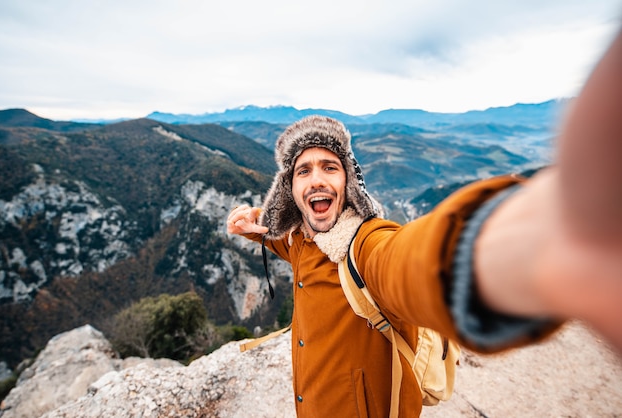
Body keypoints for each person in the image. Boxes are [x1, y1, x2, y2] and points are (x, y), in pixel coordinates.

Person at [227, 27, 622, 417]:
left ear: (348, 181)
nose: (316, 179)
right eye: (303, 171)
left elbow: (409, 262)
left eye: (330, 167)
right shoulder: (301, 237)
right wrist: (252, 223)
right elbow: (281, 237)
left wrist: (511, 243)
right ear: (290, 190)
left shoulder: (365, 247)